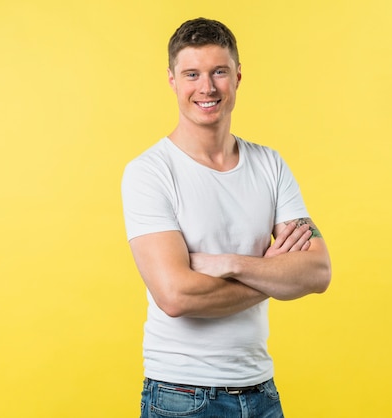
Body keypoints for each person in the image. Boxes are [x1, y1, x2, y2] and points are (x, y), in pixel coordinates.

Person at [121, 17, 331, 418]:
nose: (207, 87)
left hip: (262, 392)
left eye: (219, 72)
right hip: (181, 397)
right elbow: (176, 295)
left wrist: (229, 264)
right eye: (192, 74)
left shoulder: (269, 164)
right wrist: (271, 273)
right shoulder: (149, 172)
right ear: (172, 80)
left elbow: (317, 271)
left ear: (237, 76)